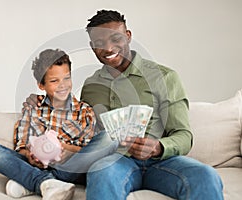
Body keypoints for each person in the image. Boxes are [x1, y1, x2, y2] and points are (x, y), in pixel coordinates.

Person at [25, 10, 224, 200]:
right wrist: (40, 100)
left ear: (128, 36)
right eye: (99, 43)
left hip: (162, 162)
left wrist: (158, 147)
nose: (109, 48)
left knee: (205, 175)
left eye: (116, 38)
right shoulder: (91, 86)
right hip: (115, 162)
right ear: (92, 46)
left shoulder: (165, 77)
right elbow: (75, 121)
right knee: (101, 172)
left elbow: (184, 135)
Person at [0, 49, 116, 200]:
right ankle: (45, 182)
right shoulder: (32, 108)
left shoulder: (84, 111)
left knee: (109, 138)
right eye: (54, 81)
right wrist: (31, 157)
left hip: (70, 166)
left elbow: (87, 151)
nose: (62, 85)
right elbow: (22, 147)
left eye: (66, 78)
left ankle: (36, 182)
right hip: (35, 164)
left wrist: (63, 148)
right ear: (41, 85)